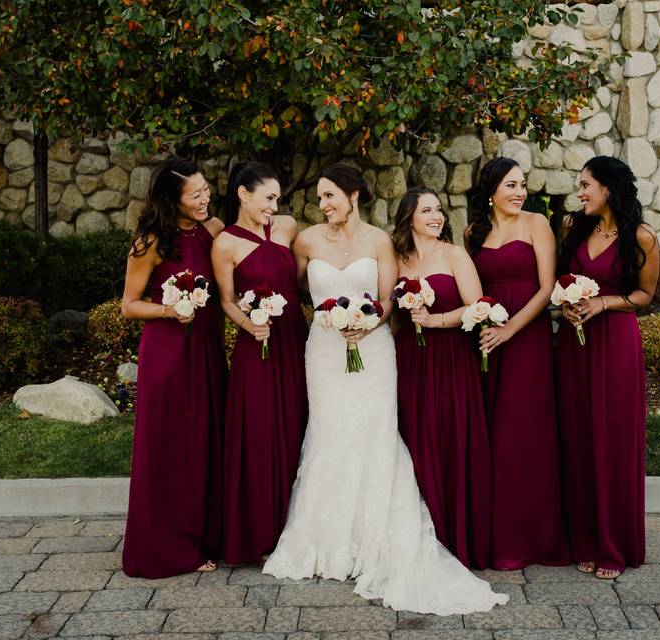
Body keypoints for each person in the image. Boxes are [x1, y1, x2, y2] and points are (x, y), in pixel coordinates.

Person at [262, 164, 507, 614]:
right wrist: (330, 317)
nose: (325, 204)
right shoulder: (307, 240)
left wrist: (366, 322)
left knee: (374, 433)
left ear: (354, 195)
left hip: (372, 349)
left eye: (331, 195)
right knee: (329, 433)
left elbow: (389, 296)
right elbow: (294, 288)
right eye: (320, 198)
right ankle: (324, 539)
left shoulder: (378, 241)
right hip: (324, 350)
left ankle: (374, 539)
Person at [120, 157, 226, 578]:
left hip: (207, 353)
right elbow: (129, 305)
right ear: (172, 200)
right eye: (195, 194)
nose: (205, 198)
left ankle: (207, 534)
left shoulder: (213, 231)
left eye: (205, 190)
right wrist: (170, 309)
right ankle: (166, 547)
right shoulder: (150, 242)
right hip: (168, 356)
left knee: (205, 444)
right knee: (170, 449)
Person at [557, 155, 660, 579]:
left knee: (613, 440)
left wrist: (601, 302)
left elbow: (645, 295)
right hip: (573, 343)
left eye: (585, 185)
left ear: (607, 188)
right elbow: (562, 280)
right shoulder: (573, 228)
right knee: (579, 437)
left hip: (615, 343)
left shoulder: (641, 237)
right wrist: (566, 305)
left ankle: (614, 545)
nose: (579, 193)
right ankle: (585, 538)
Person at [466, 157, 569, 570]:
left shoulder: (536, 224)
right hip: (486, 339)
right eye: (510, 185)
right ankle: (495, 536)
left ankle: (533, 539)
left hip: (527, 339)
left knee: (523, 431)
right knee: (492, 431)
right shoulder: (475, 232)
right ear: (490, 191)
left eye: (522, 185)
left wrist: (510, 329)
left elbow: (547, 288)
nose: (518, 192)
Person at [391, 187, 494, 570]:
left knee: (450, 438)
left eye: (439, 210)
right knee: (416, 441)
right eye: (427, 210)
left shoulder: (454, 254)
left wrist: (436, 320)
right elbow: (391, 311)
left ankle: (457, 535)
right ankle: (421, 535)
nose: (437, 216)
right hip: (410, 360)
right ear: (409, 217)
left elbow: (478, 306)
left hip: (451, 360)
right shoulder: (396, 258)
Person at [211, 162, 307, 565]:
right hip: (258, 345)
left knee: (297, 426)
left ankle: (299, 528)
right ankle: (258, 531)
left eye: (277, 199)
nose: (274, 205)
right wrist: (250, 325)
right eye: (268, 197)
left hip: (296, 343)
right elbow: (226, 300)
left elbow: (305, 276)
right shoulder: (225, 244)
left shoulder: (286, 227)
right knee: (259, 433)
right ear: (243, 194)